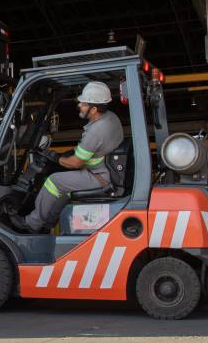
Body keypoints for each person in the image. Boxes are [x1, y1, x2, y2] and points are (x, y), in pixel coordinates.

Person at [12, 81, 124, 233]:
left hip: (100, 177)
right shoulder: (110, 118)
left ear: (94, 109)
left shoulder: (96, 131)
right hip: (107, 170)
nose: (79, 105)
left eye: (83, 104)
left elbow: (76, 163)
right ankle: (48, 223)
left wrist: (56, 157)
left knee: (54, 181)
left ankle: (33, 222)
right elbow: (91, 150)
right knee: (64, 185)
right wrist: (65, 155)